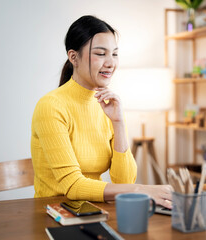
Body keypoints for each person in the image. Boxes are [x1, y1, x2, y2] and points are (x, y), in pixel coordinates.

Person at [31, 15, 172, 209]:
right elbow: (72, 186)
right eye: (100, 53)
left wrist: (119, 123)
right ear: (74, 57)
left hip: (93, 209)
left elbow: (124, 181)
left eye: (114, 54)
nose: (110, 62)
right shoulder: (51, 106)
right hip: (54, 213)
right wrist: (142, 190)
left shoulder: (106, 105)